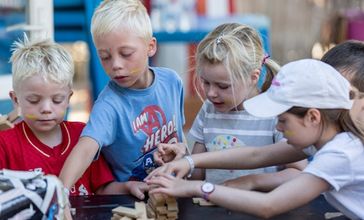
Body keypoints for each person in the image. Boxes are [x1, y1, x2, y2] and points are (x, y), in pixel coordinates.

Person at [146, 59, 364, 219]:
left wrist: (195, 188)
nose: (278, 127)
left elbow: (268, 205)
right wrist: (189, 161)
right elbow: (256, 154)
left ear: (313, 117)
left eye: (283, 120)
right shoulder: (327, 138)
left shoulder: (340, 154)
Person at [154, 23, 306, 188]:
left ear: (253, 77)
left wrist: (253, 182)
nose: (211, 93)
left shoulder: (276, 114)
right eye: (206, 82)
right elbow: (198, 175)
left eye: (223, 86)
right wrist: (181, 161)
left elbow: (298, 173)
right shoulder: (208, 110)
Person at [59, 0, 185, 200]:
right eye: (105, 57)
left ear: (150, 47)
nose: (116, 65)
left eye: (126, 54)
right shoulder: (109, 105)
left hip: (175, 189)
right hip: (133, 201)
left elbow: (178, 136)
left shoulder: (172, 81)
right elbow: (85, 149)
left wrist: (181, 150)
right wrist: (60, 193)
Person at [222, 39, 364, 190]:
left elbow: (267, 206)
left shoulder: (343, 150)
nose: (330, 100)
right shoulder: (324, 137)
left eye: (344, 93)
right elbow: (257, 155)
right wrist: (193, 162)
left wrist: (204, 189)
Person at [0, 36, 115, 196]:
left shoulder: (83, 136)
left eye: (57, 100)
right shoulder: (5, 144)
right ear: (16, 100)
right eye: (34, 100)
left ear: (68, 99)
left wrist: (127, 188)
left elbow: (102, 190)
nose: (46, 109)